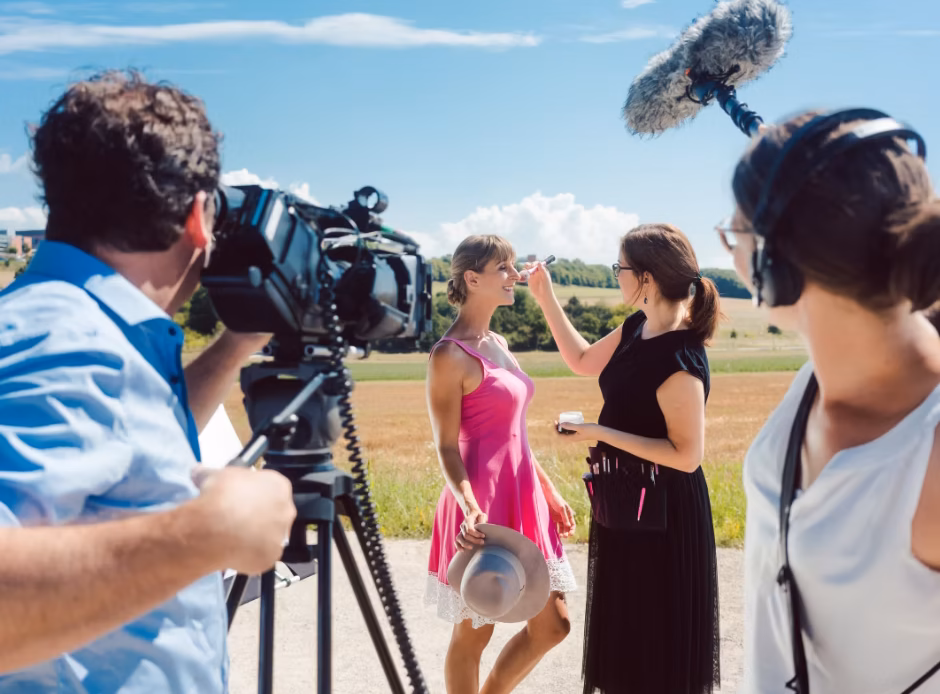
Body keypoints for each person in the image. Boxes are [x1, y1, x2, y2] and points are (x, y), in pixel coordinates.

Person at [0, 71, 296, 691]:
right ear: (197, 217)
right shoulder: (65, 340)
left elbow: (125, 445)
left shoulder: (79, 323)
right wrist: (208, 533)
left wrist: (235, 345)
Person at [720, 109, 940, 693]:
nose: (731, 252)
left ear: (776, 266)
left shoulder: (931, 456)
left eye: (736, 234)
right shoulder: (814, 380)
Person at [526, 224, 722, 694]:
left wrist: (598, 432)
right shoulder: (637, 327)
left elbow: (686, 456)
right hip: (626, 503)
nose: (616, 275)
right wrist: (545, 296)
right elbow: (582, 360)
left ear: (646, 278)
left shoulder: (680, 357)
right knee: (625, 645)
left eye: (620, 268)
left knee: (655, 652)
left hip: (665, 518)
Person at [425, 234, 578, 694]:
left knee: (553, 625)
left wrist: (548, 491)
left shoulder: (499, 341)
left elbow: (514, 434)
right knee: (476, 631)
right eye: (504, 268)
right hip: (481, 502)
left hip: (523, 493)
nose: (515, 275)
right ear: (473, 279)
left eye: (513, 266)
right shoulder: (449, 354)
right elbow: (446, 447)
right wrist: (470, 505)